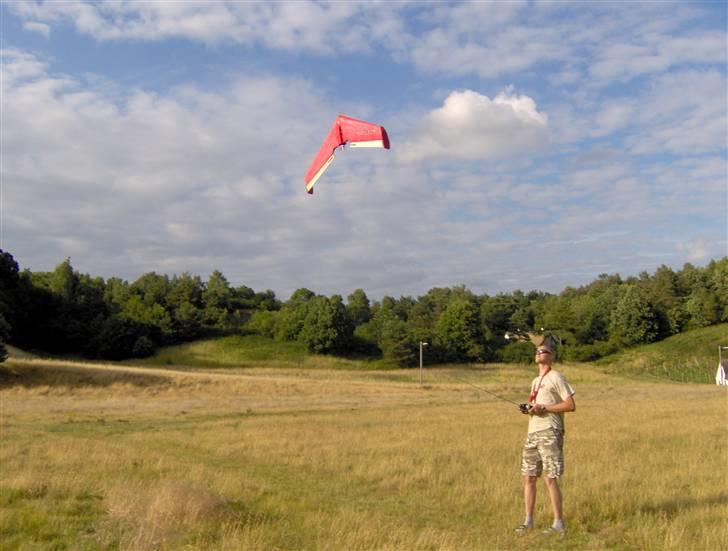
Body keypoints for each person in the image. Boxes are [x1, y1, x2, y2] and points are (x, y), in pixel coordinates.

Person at [515, 344, 576, 534]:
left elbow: (570, 405)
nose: (539, 353)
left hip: (550, 430)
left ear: (552, 356)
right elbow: (537, 405)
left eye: (544, 351)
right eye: (537, 351)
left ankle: (558, 523)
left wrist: (544, 408)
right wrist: (530, 409)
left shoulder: (556, 377)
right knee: (529, 477)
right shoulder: (535, 381)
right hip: (532, 432)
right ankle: (528, 521)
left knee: (550, 478)